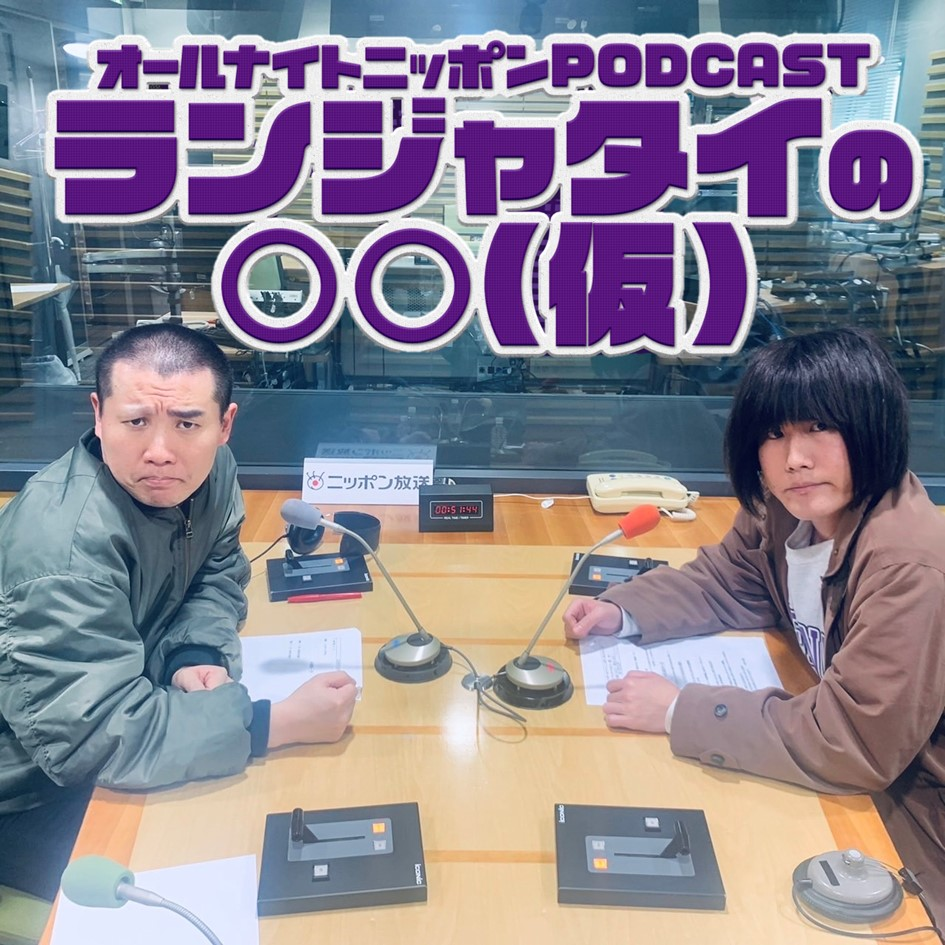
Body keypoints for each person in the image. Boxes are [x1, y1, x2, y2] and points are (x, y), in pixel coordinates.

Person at [563, 328, 945, 921]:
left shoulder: (910, 566)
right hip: (854, 781)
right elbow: (727, 581)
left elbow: (852, 742)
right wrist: (624, 610)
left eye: (820, 427)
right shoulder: (785, 509)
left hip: (914, 820)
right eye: (774, 434)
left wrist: (678, 710)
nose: (795, 458)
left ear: (875, 426)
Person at [0, 323, 357, 900]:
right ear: (98, 415)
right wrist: (273, 724)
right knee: (235, 865)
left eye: (188, 424)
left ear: (224, 425)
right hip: (32, 789)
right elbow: (93, 741)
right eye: (136, 422)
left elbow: (217, 570)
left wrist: (194, 652)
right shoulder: (61, 551)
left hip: (127, 709)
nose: (161, 452)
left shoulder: (212, 471)